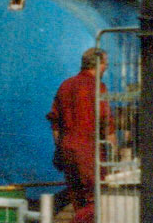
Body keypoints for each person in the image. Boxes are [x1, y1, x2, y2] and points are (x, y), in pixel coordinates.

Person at [48, 45, 111, 223]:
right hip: (89, 153)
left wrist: (61, 149)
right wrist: (113, 153)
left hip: (67, 151)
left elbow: (55, 123)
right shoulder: (98, 88)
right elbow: (106, 123)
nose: (106, 68)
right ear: (98, 64)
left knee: (78, 201)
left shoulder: (65, 85)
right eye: (105, 64)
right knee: (96, 201)